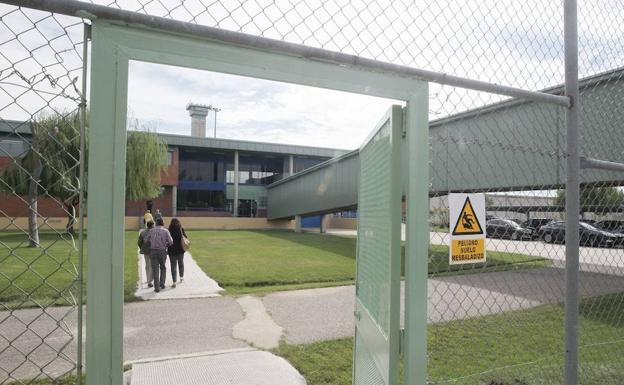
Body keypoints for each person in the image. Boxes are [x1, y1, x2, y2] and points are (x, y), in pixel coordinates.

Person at [146, 217, 173, 293]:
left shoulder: (151, 230)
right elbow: (171, 242)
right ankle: (162, 283)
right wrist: (165, 244)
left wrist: (152, 242)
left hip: (153, 251)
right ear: (163, 223)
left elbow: (146, 240)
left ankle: (156, 287)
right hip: (162, 251)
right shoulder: (165, 231)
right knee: (163, 267)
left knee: (155, 269)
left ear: (156, 223)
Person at [167, 218, 188, 287]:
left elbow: (167, 240)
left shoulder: (168, 230)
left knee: (173, 266)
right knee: (181, 263)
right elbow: (185, 237)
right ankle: (181, 277)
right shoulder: (180, 229)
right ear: (178, 222)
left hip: (171, 250)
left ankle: (174, 281)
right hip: (180, 250)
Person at [137, 220, 154, 288]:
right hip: (152, 250)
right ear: (152, 225)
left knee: (147, 265)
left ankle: (148, 279)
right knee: (151, 265)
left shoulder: (142, 232)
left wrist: (142, 248)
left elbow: (139, 242)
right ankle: (150, 280)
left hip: (145, 251)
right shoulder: (154, 232)